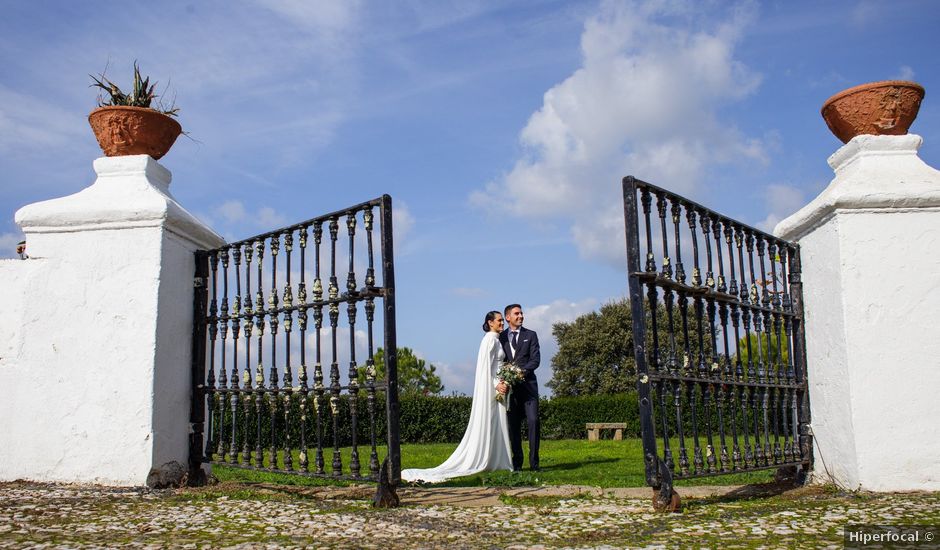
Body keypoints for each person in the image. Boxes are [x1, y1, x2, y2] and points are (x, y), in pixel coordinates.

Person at [400, 311, 513, 482]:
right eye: (499, 321)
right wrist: (494, 384)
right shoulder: (489, 340)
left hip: (499, 384)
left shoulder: (496, 340)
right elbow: (484, 369)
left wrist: (504, 380)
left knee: (498, 421)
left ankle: (496, 459)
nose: (502, 323)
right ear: (490, 322)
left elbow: (497, 366)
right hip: (492, 385)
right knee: (490, 420)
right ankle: (484, 459)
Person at [498, 304, 541, 471]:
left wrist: (521, 372)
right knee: (513, 426)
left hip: (529, 388)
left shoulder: (531, 335)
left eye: (522, 313)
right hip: (510, 391)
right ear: (508, 317)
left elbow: (535, 360)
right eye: (517, 313)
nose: (521, 316)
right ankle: (517, 463)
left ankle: (534, 464)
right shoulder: (500, 337)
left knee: (533, 421)